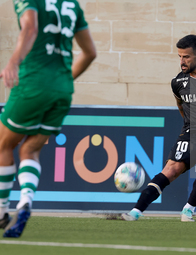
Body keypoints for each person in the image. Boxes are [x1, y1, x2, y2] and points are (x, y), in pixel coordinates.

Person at [0, 0, 96, 237]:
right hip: (62, 90)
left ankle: (1, 212)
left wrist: (13, 61)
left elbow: (30, 27)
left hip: (32, 83)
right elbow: (90, 53)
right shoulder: (72, 4)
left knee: (4, 143)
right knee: (29, 150)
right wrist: (62, 84)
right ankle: (25, 201)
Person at [121, 34, 196, 222]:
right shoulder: (178, 82)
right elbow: (181, 105)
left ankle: (188, 210)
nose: (182, 61)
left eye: (187, 57)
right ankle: (136, 211)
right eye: (180, 57)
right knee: (171, 170)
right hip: (191, 132)